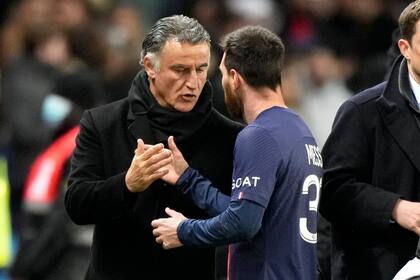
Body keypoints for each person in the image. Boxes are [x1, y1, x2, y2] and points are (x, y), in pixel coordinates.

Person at [64, 15, 242, 280]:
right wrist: (127, 185)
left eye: (201, 69)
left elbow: (243, 219)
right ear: (150, 66)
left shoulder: (230, 135)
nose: (193, 83)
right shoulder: (103, 123)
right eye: (181, 70)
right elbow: (77, 205)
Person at [151, 25, 322, 280]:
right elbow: (249, 211)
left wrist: (184, 230)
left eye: (220, 74)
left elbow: (244, 223)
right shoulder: (300, 130)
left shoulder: (258, 135)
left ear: (235, 78)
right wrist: (188, 178)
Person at [319, 1, 420, 279]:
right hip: (379, 267)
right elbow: (330, 190)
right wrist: (395, 208)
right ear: (404, 48)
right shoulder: (362, 111)